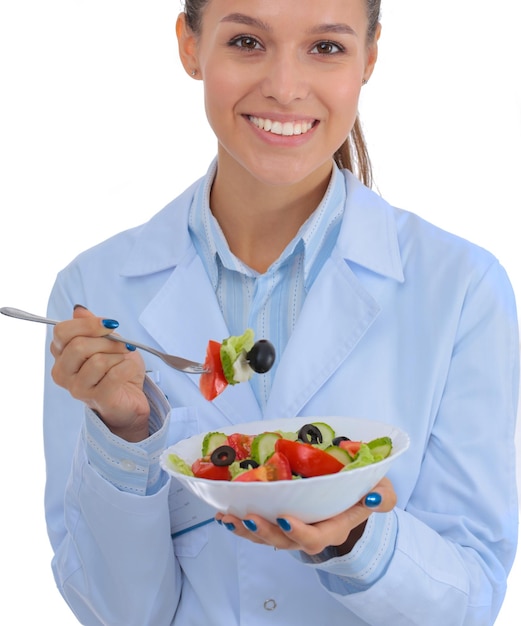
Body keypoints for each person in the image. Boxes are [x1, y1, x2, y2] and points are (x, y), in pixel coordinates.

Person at [43, 1, 519, 624]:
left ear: (369, 57)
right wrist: (128, 439)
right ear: (190, 46)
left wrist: (356, 541)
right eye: (246, 41)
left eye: (325, 48)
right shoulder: (94, 291)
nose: (285, 88)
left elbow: (470, 600)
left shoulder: (462, 289)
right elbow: (116, 610)